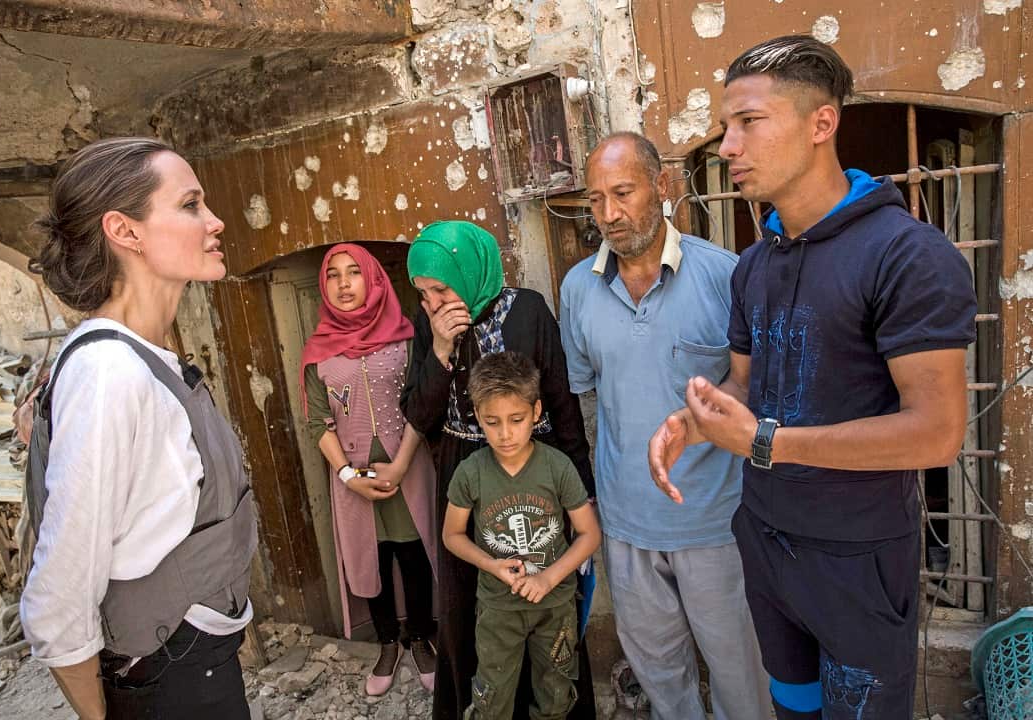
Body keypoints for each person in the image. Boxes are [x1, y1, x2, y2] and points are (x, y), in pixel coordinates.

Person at [648, 35, 977, 719]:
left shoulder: (907, 254)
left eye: (748, 122)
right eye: (723, 128)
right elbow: (744, 386)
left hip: (857, 558)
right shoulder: (755, 266)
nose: (728, 146)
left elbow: (938, 434)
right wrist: (696, 421)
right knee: (792, 706)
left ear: (821, 123)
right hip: (766, 540)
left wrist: (766, 441)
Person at [20, 137, 257, 720]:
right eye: (191, 205)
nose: (215, 220)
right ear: (125, 232)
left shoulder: (141, 357)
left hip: (193, 668)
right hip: (166, 688)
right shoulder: (110, 373)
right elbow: (59, 594)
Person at [559, 132, 769, 719]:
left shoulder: (726, 277)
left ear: (664, 186)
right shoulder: (579, 289)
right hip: (626, 523)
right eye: (595, 199)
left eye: (623, 193)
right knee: (659, 672)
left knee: (739, 672)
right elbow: (590, 397)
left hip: (717, 521)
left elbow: (751, 391)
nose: (610, 214)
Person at [400, 220, 597, 720]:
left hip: (535, 470)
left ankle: (553, 707)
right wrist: (441, 351)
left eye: (441, 288)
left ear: (469, 271)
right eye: (422, 294)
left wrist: (582, 489)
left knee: (544, 594)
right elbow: (420, 416)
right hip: (465, 471)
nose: (433, 302)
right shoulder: (428, 325)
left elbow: (561, 400)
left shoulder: (527, 310)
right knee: (470, 604)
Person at [299, 243, 438, 695]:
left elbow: (421, 404)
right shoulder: (318, 352)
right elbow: (319, 420)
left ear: (373, 280)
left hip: (408, 467)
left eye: (353, 273)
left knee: (413, 551)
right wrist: (347, 476)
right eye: (334, 275)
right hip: (352, 478)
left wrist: (399, 467)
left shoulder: (405, 336)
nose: (343, 284)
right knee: (370, 557)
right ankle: (386, 644)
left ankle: (420, 639)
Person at [443, 351, 601, 720]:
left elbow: (589, 535)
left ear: (536, 411)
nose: (505, 433)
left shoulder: (556, 466)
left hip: (555, 605)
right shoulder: (471, 473)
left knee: (556, 694)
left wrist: (548, 577)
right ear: (477, 416)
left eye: (516, 419)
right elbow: (452, 535)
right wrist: (492, 565)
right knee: (492, 697)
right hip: (498, 609)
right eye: (492, 422)